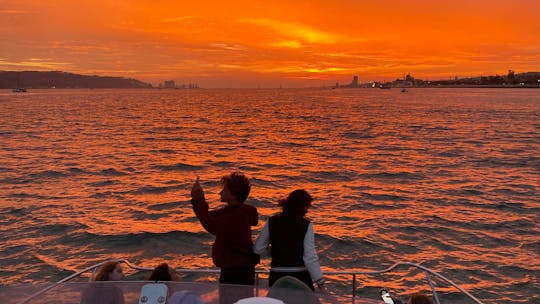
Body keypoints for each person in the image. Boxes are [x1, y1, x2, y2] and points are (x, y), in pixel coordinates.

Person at [191, 172, 259, 304]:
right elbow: (210, 217)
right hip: (240, 268)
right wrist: (198, 200)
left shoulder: (236, 215)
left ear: (233, 194)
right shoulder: (234, 211)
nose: (220, 193)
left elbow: (211, 225)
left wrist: (199, 199)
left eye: (224, 190)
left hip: (236, 271)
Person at [254, 189, 324, 291]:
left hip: (276, 276)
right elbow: (309, 256)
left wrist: (274, 252)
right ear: (303, 207)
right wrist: (319, 280)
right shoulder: (306, 225)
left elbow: (258, 249)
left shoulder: (272, 221)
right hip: (300, 276)